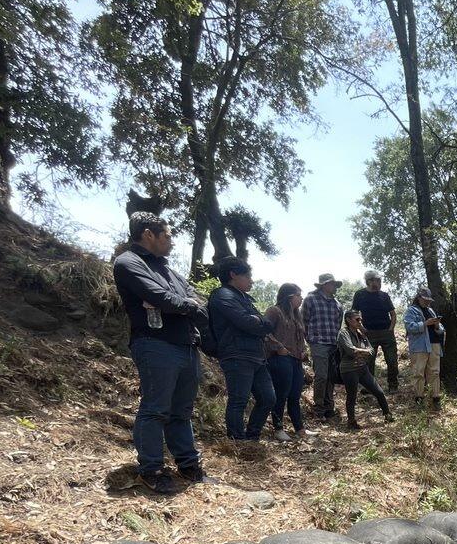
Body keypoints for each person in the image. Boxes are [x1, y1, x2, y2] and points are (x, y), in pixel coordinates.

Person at [113, 212, 211, 495]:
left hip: (186, 345)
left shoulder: (168, 269)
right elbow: (161, 298)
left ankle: (189, 466)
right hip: (155, 344)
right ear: (148, 234)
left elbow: (195, 300)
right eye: (167, 235)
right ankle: (152, 469)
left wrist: (186, 304)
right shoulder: (128, 263)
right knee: (156, 409)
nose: (172, 241)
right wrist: (187, 304)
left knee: (182, 411)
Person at [208, 257, 276, 443]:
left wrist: (257, 320)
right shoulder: (222, 295)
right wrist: (256, 321)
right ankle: (237, 441)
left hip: (256, 355)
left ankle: (251, 437)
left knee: (268, 398)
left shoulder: (244, 298)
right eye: (248, 276)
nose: (251, 280)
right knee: (239, 400)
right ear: (233, 275)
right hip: (236, 354)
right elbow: (245, 322)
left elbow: (267, 324)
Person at [265, 283, 316, 441]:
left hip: (296, 360)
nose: (301, 298)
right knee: (281, 394)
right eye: (298, 295)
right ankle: (278, 429)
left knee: (294, 395)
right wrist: (278, 347)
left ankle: (299, 429)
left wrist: (303, 350)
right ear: (289, 296)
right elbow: (265, 332)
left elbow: (300, 337)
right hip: (280, 359)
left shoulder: (297, 314)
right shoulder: (274, 311)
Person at [338, 309, 393, 429]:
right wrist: (363, 352)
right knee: (351, 395)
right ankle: (351, 422)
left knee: (378, 391)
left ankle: (387, 415)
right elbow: (350, 350)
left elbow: (372, 351)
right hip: (349, 369)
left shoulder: (361, 333)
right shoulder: (343, 333)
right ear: (348, 320)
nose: (360, 321)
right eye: (357, 319)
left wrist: (361, 352)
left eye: (360, 319)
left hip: (362, 368)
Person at [303, 273, 345, 419]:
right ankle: (319, 408)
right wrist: (308, 339)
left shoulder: (337, 304)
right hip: (318, 342)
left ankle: (329, 407)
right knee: (321, 375)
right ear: (324, 285)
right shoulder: (310, 300)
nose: (334, 287)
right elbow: (304, 321)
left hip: (333, 344)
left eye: (335, 284)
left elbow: (338, 325)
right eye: (332, 284)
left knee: (330, 377)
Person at [352, 270, 398, 392]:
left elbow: (393, 314)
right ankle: (369, 387)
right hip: (369, 334)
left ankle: (393, 386)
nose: (378, 283)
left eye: (379, 280)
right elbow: (354, 314)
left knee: (392, 360)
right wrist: (361, 329)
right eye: (375, 280)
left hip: (386, 333)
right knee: (369, 362)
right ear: (368, 281)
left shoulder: (384, 295)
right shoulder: (359, 295)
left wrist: (391, 329)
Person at [404, 287, 445, 408]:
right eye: (425, 299)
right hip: (419, 346)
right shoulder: (411, 311)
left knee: (435, 372)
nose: (427, 302)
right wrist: (425, 323)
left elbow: (441, 329)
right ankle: (419, 398)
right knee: (418, 372)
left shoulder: (431, 311)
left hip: (434, 344)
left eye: (429, 300)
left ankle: (436, 398)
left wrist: (437, 325)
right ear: (419, 298)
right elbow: (409, 327)